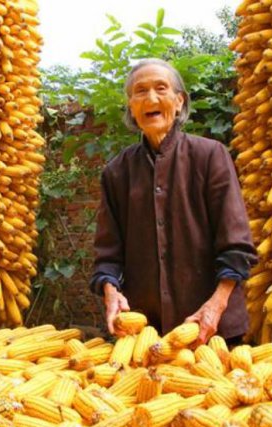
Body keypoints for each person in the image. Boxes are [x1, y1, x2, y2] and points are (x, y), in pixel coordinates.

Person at [90, 58, 257, 345]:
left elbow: (236, 244)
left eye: (161, 88)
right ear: (131, 106)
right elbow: (108, 254)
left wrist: (216, 305)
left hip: (212, 330)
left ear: (179, 101)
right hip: (146, 336)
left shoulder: (210, 156)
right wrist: (110, 290)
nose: (150, 98)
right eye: (140, 91)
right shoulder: (117, 173)